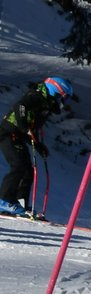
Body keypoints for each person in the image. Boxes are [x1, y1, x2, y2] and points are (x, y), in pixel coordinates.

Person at [0, 76, 73, 217]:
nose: (62, 103)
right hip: (8, 133)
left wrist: (39, 146)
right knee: (18, 166)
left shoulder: (45, 104)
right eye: (62, 98)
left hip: (18, 136)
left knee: (28, 170)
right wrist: (24, 128)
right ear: (55, 92)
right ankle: (4, 200)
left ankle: (20, 204)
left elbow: (32, 129)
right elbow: (20, 107)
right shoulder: (36, 96)